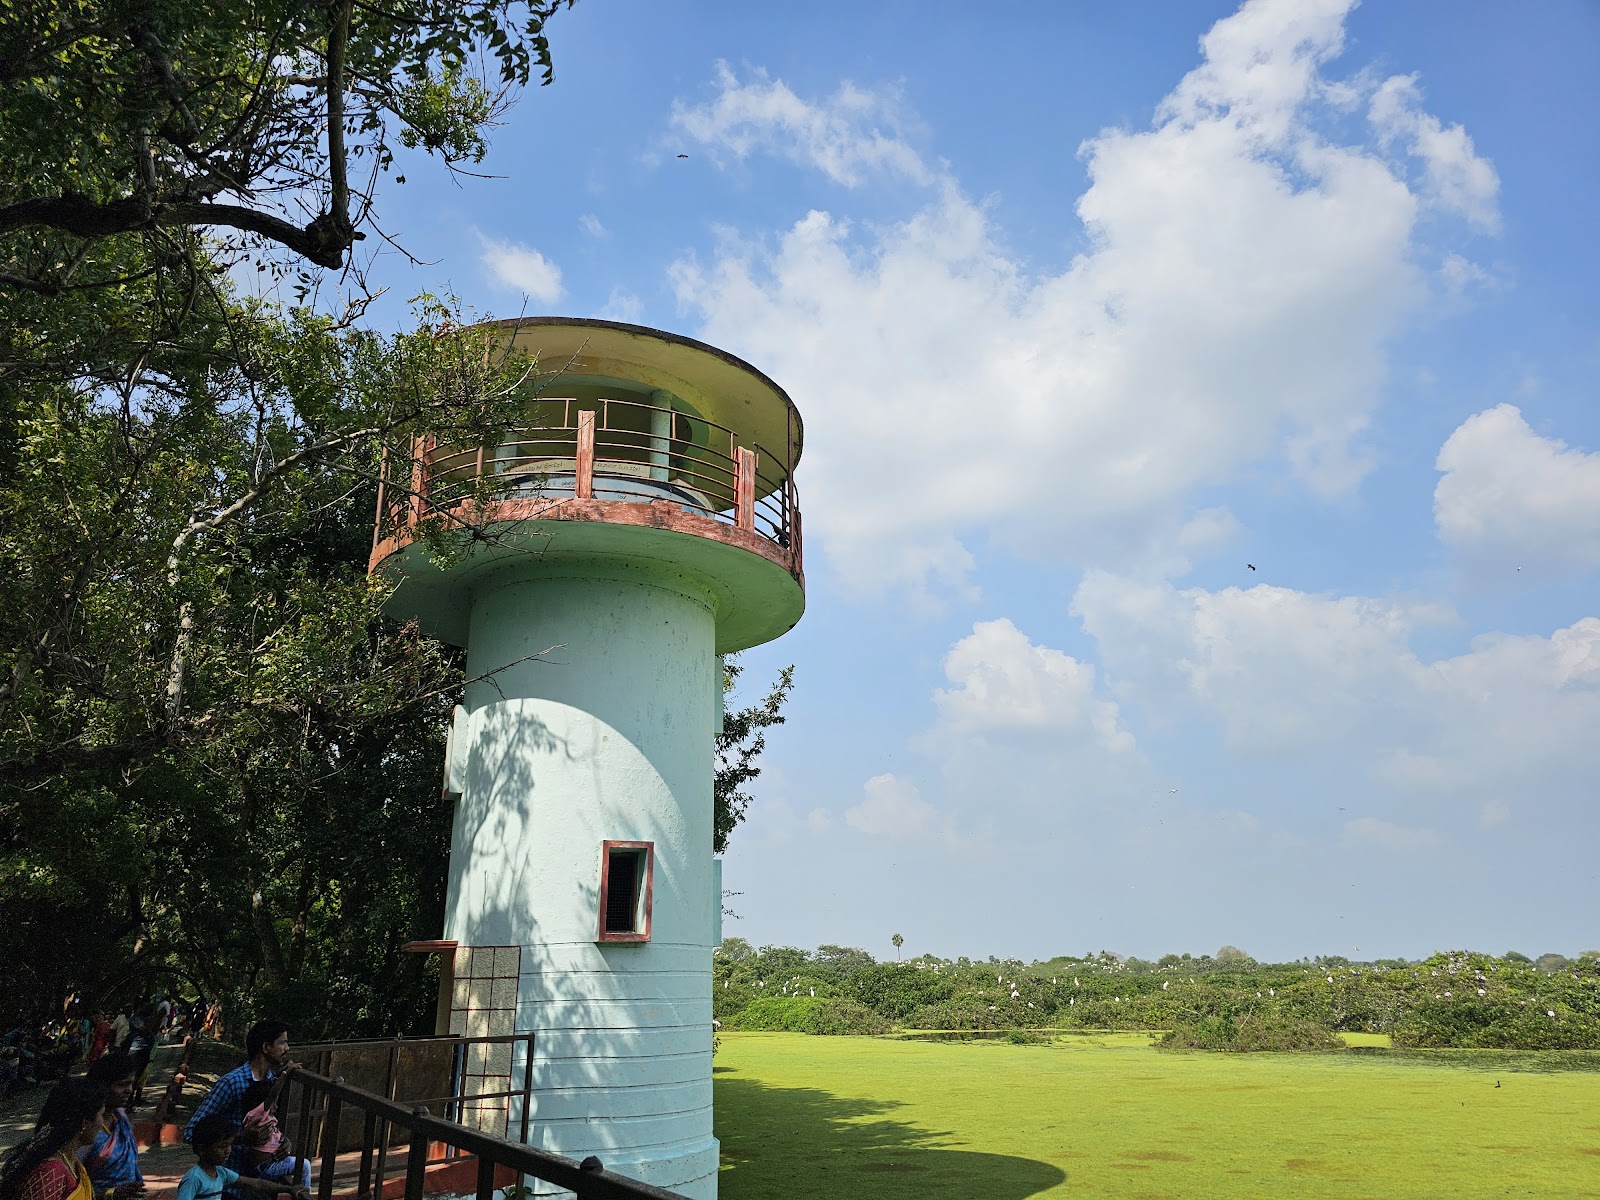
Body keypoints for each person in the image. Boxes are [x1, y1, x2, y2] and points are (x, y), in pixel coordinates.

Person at [183, 1022, 296, 1181]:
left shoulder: (272, 1082)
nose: (287, 1048)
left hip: (263, 1183)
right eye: (282, 1043)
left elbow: (267, 1122)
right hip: (231, 1183)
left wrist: (282, 1141)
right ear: (266, 1047)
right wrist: (239, 1138)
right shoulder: (231, 1083)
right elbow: (191, 1132)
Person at [0, 1078, 105, 1200]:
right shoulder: (51, 1171)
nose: (102, 1123)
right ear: (85, 1123)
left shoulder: (69, 1159)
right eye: (101, 1114)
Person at [176, 1118, 309, 1200]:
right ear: (202, 1150)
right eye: (222, 1146)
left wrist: (288, 1189)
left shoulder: (221, 1173)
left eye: (229, 1145)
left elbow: (256, 1183)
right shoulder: (194, 1179)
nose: (228, 1150)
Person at [81, 1055, 144, 1200]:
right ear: (102, 1086)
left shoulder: (120, 1117)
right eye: (122, 1085)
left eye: (131, 1084)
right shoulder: (87, 1129)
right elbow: (72, 1181)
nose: (129, 1090)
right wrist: (110, 1194)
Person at [237, 1080, 308, 1191]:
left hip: (271, 1163)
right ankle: (304, 1193)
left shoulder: (267, 1118)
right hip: (267, 1167)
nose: (276, 1106)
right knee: (305, 1165)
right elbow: (272, 1095)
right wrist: (284, 1074)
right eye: (274, 1103)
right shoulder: (258, 1115)